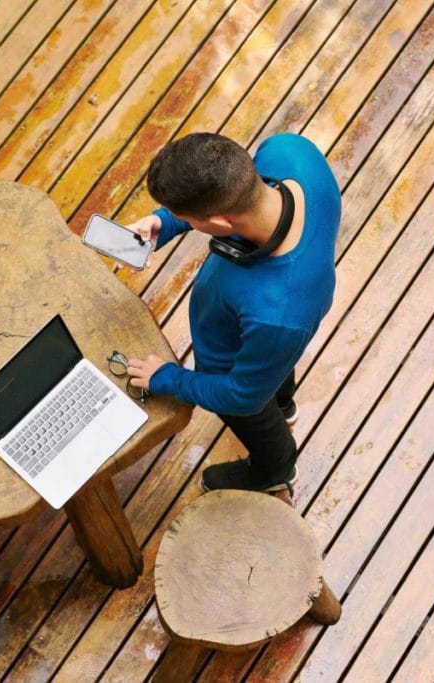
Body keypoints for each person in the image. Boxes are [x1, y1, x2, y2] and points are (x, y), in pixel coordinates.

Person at [123, 132, 341, 495]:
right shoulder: (291, 152)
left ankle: (275, 471)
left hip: (235, 361)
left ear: (221, 224)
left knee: (255, 410)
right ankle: (283, 405)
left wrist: (169, 379)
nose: (182, 222)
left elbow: (241, 396)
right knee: (274, 374)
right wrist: (167, 222)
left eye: (186, 218)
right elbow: (236, 192)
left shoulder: (277, 315)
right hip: (268, 342)